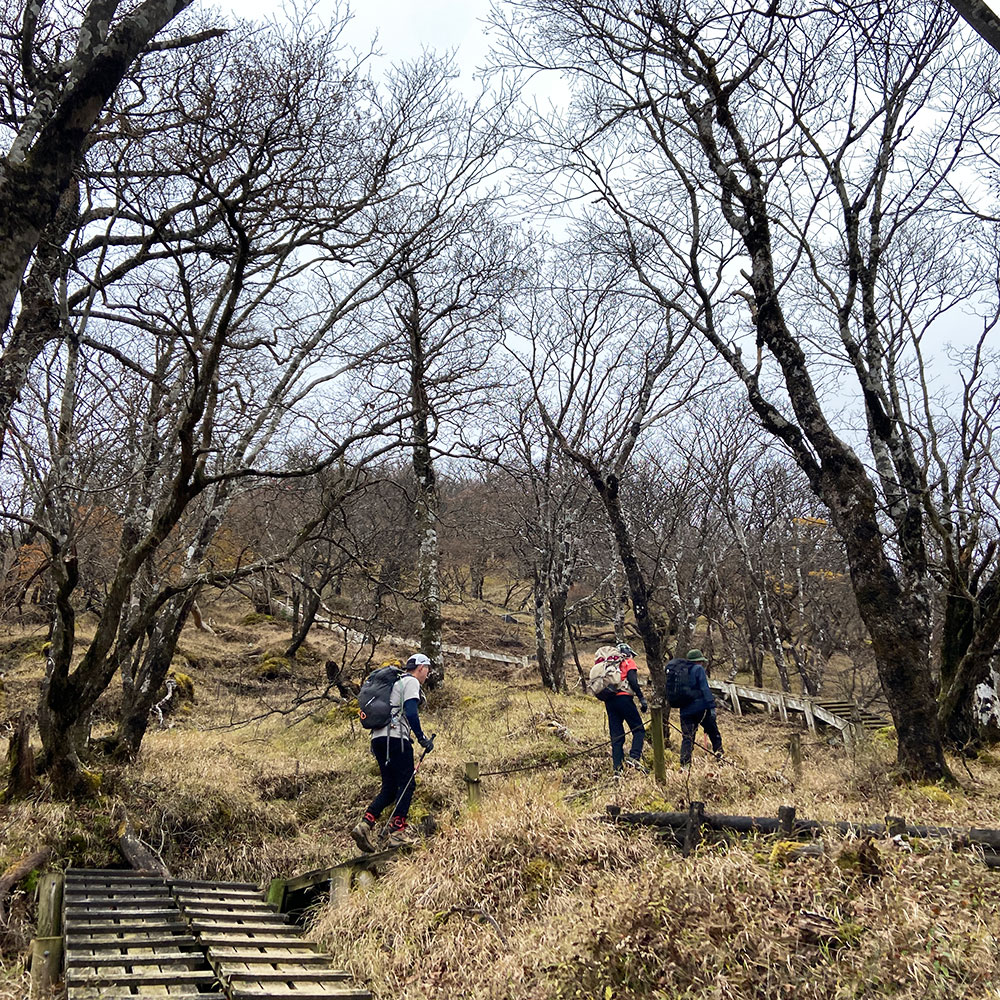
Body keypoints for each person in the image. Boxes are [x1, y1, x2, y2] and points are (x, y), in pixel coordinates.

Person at [351, 653, 435, 851]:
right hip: (396, 738)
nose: (427, 674)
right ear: (421, 667)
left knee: (389, 787)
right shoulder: (411, 682)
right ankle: (397, 832)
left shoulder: (394, 683)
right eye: (428, 670)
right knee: (407, 783)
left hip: (378, 739)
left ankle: (365, 825)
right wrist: (421, 738)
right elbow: (411, 711)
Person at [600, 643, 648, 774]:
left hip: (610, 701)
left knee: (616, 736)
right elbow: (633, 680)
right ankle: (634, 757)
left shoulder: (608, 665)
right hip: (624, 698)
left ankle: (617, 769)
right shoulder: (628, 662)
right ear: (628, 653)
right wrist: (642, 698)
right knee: (639, 730)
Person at [672, 649, 723, 765]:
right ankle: (720, 756)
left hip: (684, 710)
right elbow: (705, 688)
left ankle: (685, 764)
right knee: (713, 731)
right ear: (698, 661)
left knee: (687, 738)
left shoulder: (680, 672)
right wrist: (711, 708)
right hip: (701, 708)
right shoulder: (698, 669)